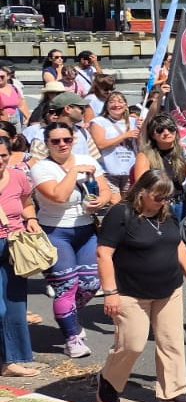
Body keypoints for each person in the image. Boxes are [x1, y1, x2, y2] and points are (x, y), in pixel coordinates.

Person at [93, 170, 186, 402]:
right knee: (132, 344)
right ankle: (109, 379)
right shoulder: (121, 214)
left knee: (171, 341)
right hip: (131, 292)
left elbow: (177, 244)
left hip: (169, 288)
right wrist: (110, 292)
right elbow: (104, 254)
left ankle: (172, 391)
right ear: (142, 192)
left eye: (167, 198)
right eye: (158, 197)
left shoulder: (167, 213)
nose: (163, 202)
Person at [33, 121, 117, 359]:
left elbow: (106, 190)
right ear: (47, 144)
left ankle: (67, 314)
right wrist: (73, 171)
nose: (62, 144)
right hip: (55, 232)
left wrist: (101, 201)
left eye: (67, 139)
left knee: (91, 283)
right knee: (67, 287)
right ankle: (72, 338)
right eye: (56, 141)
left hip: (86, 230)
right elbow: (59, 196)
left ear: (74, 140)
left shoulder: (87, 160)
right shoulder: (42, 168)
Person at [0, 123, 39, 377]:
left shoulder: (17, 176)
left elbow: (26, 202)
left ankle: (10, 361)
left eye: (3, 155)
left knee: (14, 305)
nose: (0, 161)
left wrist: (31, 219)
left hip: (14, 245)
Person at [131, 113, 186, 221]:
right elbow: (142, 184)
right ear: (152, 135)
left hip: (181, 203)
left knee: (182, 230)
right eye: (160, 130)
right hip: (156, 205)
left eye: (171, 128)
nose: (166, 133)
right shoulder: (145, 155)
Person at [90, 92, 140, 196]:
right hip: (108, 170)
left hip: (130, 169)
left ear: (126, 105)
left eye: (120, 101)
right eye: (112, 102)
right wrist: (124, 136)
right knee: (114, 203)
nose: (116, 105)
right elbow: (101, 144)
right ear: (106, 105)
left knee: (128, 202)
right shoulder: (99, 121)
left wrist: (142, 129)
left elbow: (142, 144)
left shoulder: (134, 121)